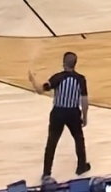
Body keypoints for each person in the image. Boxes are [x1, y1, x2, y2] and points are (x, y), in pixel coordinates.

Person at [27, 51, 91, 179]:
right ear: (75, 64)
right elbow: (84, 101)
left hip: (58, 113)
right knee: (79, 139)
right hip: (73, 113)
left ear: (63, 63)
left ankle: (46, 173)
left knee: (52, 142)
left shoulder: (57, 77)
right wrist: (85, 116)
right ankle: (81, 167)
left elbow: (40, 90)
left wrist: (32, 80)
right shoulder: (81, 79)